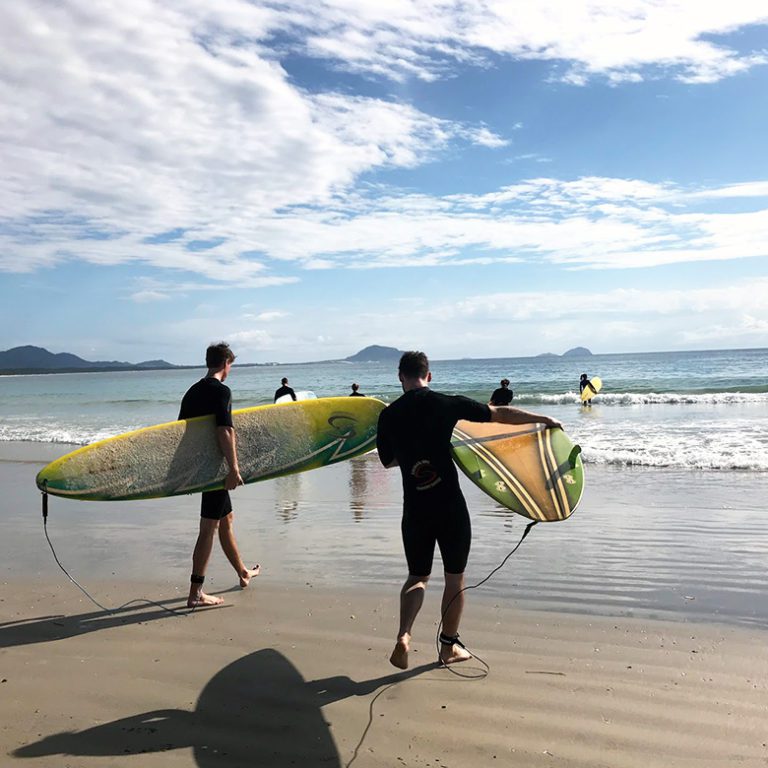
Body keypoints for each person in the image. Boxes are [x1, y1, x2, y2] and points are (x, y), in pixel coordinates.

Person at [376, 351, 562, 669]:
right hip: (449, 506)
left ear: (400, 377)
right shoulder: (448, 403)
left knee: (417, 576)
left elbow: (388, 461)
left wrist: (411, 454)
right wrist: (542, 420)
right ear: (429, 376)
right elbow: (498, 414)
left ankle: (404, 635)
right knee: (454, 579)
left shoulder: (389, 415)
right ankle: (448, 648)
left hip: (416, 509)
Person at [179, 342, 259, 607]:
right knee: (208, 529)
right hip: (216, 471)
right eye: (231, 365)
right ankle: (195, 593)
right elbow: (225, 430)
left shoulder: (191, 392)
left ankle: (243, 572)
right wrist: (234, 468)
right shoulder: (222, 391)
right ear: (226, 363)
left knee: (226, 520)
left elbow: (181, 433)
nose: (230, 370)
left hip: (201, 469)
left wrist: (187, 472)